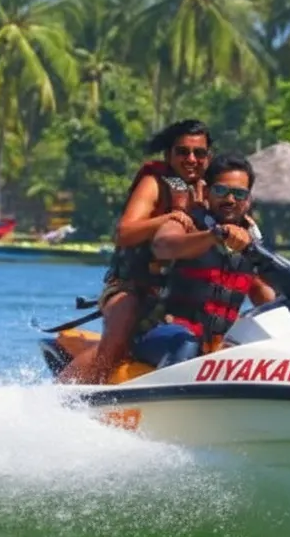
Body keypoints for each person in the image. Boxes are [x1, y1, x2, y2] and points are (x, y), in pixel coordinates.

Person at [60, 118, 213, 384]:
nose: (191, 159)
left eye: (199, 153)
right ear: (169, 155)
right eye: (182, 152)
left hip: (179, 294)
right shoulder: (154, 183)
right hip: (130, 286)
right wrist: (172, 217)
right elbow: (124, 233)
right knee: (120, 334)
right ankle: (68, 399)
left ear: (208, 157)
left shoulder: (213, 191)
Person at [132, 154, 277, 368]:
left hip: (213, 350)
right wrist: (215, 235)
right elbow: (163, 246)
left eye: (239, 194)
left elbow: (268, 300)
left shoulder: (251, 245)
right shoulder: (185, 223)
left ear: (248, 199)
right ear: (206, 191)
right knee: (188, 343)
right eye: (221, 191)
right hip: (163, 335)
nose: (230, 200)